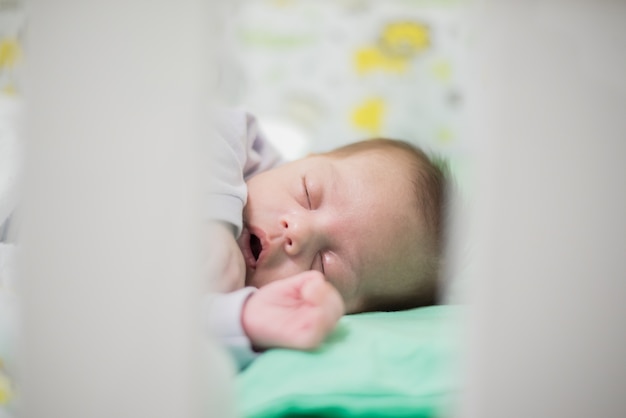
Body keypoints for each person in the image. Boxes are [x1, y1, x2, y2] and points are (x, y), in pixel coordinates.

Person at [206, 109, 447, 368]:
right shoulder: (241, 151)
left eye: (325, 264)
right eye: (308, 194)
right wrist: (217, 224)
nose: (298, 231)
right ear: (303, 160)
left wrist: (241, 318)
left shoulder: (254, 309)